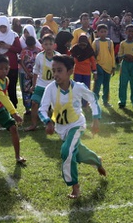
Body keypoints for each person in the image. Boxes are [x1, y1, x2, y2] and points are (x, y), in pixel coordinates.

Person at [39, 54, 106, 199]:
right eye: (54, 70)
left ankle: (74, 186)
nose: (55, 74)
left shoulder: (78, 88)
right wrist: (48, 122)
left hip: (77, 125)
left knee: (67, 151)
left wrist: (96, 119)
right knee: (78, 152)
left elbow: (93, 99)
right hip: (61, 129)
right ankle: (96, 160)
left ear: (70, 71)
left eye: (59, 70)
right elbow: (42, 109)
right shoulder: (50, 89)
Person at [25, 34, 59, 131]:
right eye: (46, 44)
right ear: (42, 46)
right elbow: (35, 72)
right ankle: (34, 124)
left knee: (56, 105)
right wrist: (33, 85)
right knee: (34, 103)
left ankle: (55, 124)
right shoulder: (39, 56)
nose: (48, 46)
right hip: (41, 85)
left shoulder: (58, 56)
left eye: (50, 44)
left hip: (54, 86)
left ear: (54, 45)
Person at [0, 16, 22, 109]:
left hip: (12, 66)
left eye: (4, 27)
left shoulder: (13, 35)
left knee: (11, 87)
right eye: (0, 27)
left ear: (8, 26)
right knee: (0, 87)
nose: (3, 29)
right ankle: (1, 107)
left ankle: (13, 106)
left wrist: (8, 46)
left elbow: (19, 49)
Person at [118, 25, 133, 108]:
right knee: (123, 83)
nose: (130, 33)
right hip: (125, 64)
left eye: (132, 31)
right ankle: (122, 101)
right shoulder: (123, 43)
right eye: (129, 31)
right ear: (126, 32)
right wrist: (125, 56)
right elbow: (119, 54)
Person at [92, 24, 116, 107]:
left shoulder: (110, 42)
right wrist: (94, 67)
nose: (103, 33)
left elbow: (112, 54)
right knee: (97, 84)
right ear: (98, 33)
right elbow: (93, 55)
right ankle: (95, 101)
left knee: (106, 84)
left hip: (108, 66)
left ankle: (105, 101)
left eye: (105, 31)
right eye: (101, 32)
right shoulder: (96, 42)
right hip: (99, 65)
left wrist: (113, 66)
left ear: (107, 32)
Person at [19, 36, 41, 116]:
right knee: (26, 90)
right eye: (29, 46)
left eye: (32, 46)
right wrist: (28, 73)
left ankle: (36, 107)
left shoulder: (39, 51)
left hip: (36, 74)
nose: (31, 48)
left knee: (36, 90)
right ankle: (27, 108)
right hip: (25, 74)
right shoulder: (24, 51)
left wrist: (36, 73)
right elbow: (21, 62)